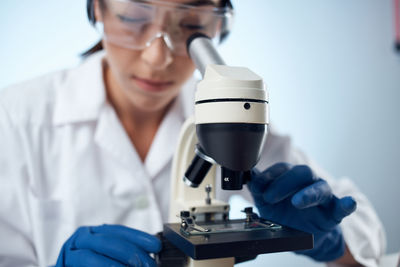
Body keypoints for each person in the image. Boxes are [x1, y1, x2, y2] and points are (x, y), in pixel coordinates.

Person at [0, 0, 385, 266]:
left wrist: (330, 240)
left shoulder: (226, 110)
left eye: (191, 28)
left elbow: (367, 238)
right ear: (97, 8)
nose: (158, 58)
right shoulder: (14, 119)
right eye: (133, 18)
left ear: (219, 27)